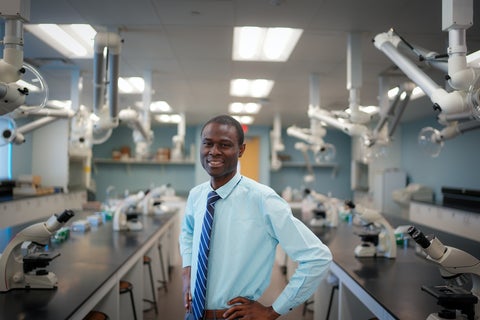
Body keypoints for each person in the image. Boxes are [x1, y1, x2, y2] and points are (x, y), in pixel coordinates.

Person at [179, 115, 332, 320]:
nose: (214, 151)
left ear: (241, 150)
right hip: (192, 314)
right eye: (208, 144)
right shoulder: (197, 195)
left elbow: (317, 257)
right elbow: (188, 232)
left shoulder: (263, 200)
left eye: (224, 145)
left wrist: (272, 311)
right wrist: (187, 269)